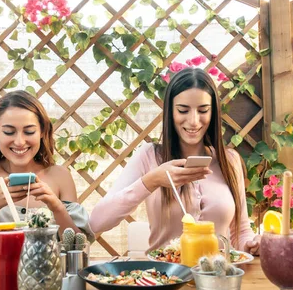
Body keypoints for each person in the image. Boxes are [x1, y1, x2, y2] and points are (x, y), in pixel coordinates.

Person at [89, 67, 260, 254]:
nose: (194, 121)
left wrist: (251, 244)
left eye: (203, 110)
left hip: (215, 278)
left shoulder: (230, 160)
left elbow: (240, 232)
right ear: (171, 112)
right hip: (165, 279)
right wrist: (152, 181)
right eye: (183, 110)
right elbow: (97, 222)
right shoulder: (149, 156)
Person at [0, 90, 93, 247]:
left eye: (29, 131)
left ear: (42, 132)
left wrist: (57, 208)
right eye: (9, 132)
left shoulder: (60, 176)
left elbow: (79, 249)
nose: (19, 142)